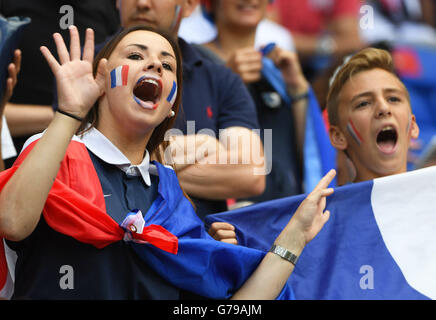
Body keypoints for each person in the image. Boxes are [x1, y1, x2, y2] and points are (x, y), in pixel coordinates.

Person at [0, 25, 336, 300]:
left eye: (168, 64)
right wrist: (70, 113)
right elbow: (12, 221)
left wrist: (293, 240)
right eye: (135, 55)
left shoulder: (173, 201)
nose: (155, 66)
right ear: (100, 84)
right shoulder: (57, 151)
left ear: (170, 106)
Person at [114, 0, 266, 220]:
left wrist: (137, 161)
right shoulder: (87, 64)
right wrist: (204, 144)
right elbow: (86, 155)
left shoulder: (220, 78)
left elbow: (251, 174)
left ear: (189, 5)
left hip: (196, 244)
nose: (143, 3)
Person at [201, 0, 310, 204]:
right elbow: (184, 136)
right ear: (209, 4)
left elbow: (308, 154)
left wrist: (298, 90)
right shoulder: (192, 61)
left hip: (286, 210)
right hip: (227, 220)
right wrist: (226, 82)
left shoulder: (275, 66)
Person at [327, 47, 420, 183]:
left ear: (413, 126)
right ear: (338, 136)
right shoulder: (325, 205)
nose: (383, 108)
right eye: (363, 103)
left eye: (393, 99)